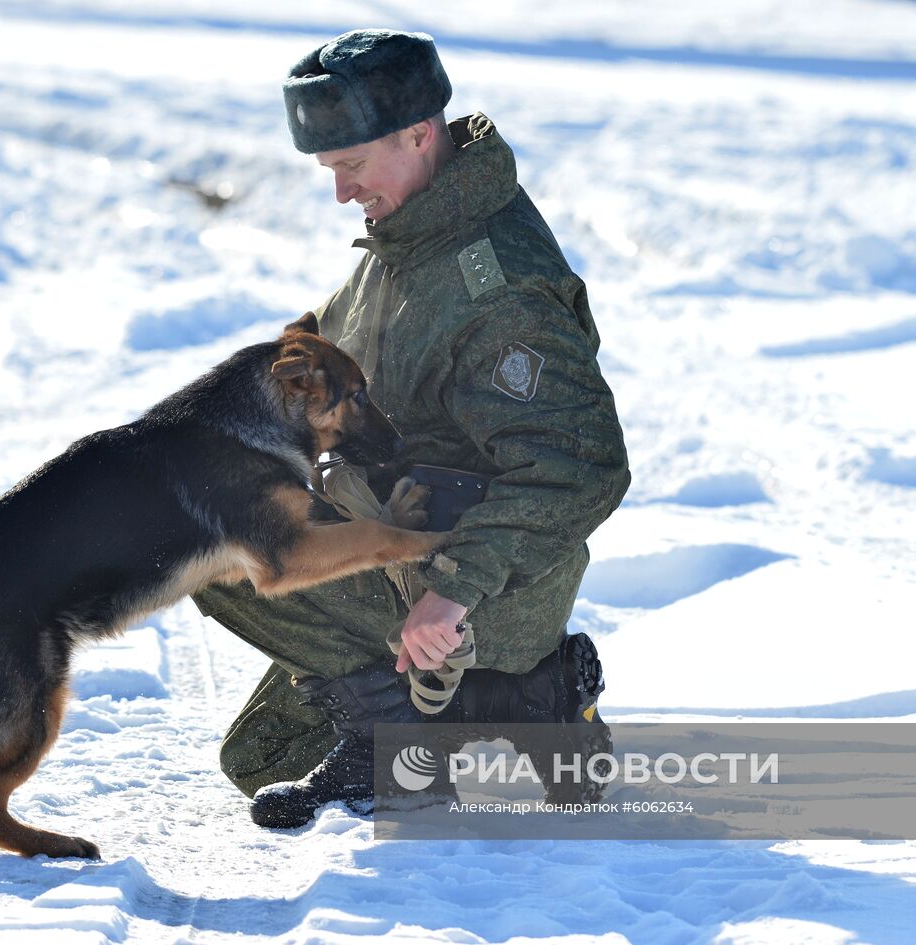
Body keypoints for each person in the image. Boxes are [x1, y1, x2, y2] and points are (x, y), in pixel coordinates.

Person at [192, 28, 630, 828]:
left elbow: (583, 468)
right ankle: (532, 698)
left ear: (420, 134)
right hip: (404, 550)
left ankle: (406, 736)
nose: (341, 193)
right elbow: (327, 346)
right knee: (256, 759)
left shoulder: (497, 290)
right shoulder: (408, 240)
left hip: (470, 593)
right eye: (331, 172)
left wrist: (453, 592)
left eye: (352, 166)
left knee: (209, 540)